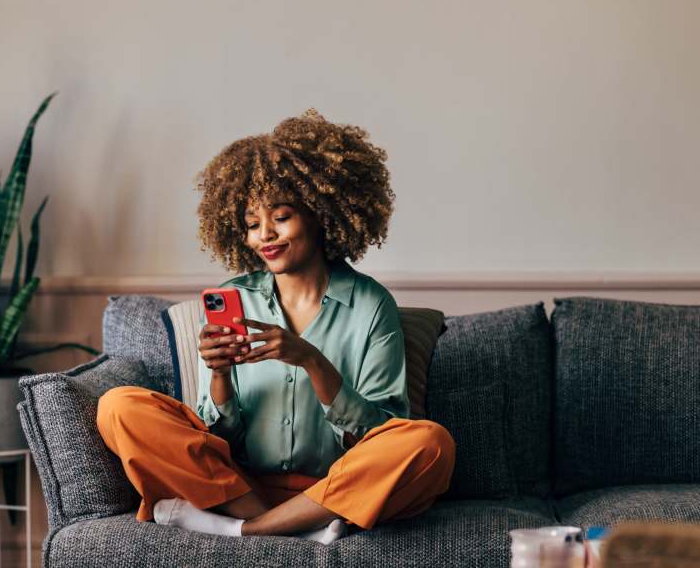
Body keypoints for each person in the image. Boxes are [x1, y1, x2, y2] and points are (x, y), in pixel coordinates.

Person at [95, 108, 457, 545]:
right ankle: (293, 529)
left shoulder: (370, 305)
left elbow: (382, 432)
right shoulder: (235, 298)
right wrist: (220, 376)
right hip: (240, 486)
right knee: (118, 406)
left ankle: (249, 531)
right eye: (252, 224)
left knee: (430, 443)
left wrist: (310, 359)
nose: (264, 235)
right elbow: (214, 440)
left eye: (281, 217)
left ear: (321, 214)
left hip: (336, 489)